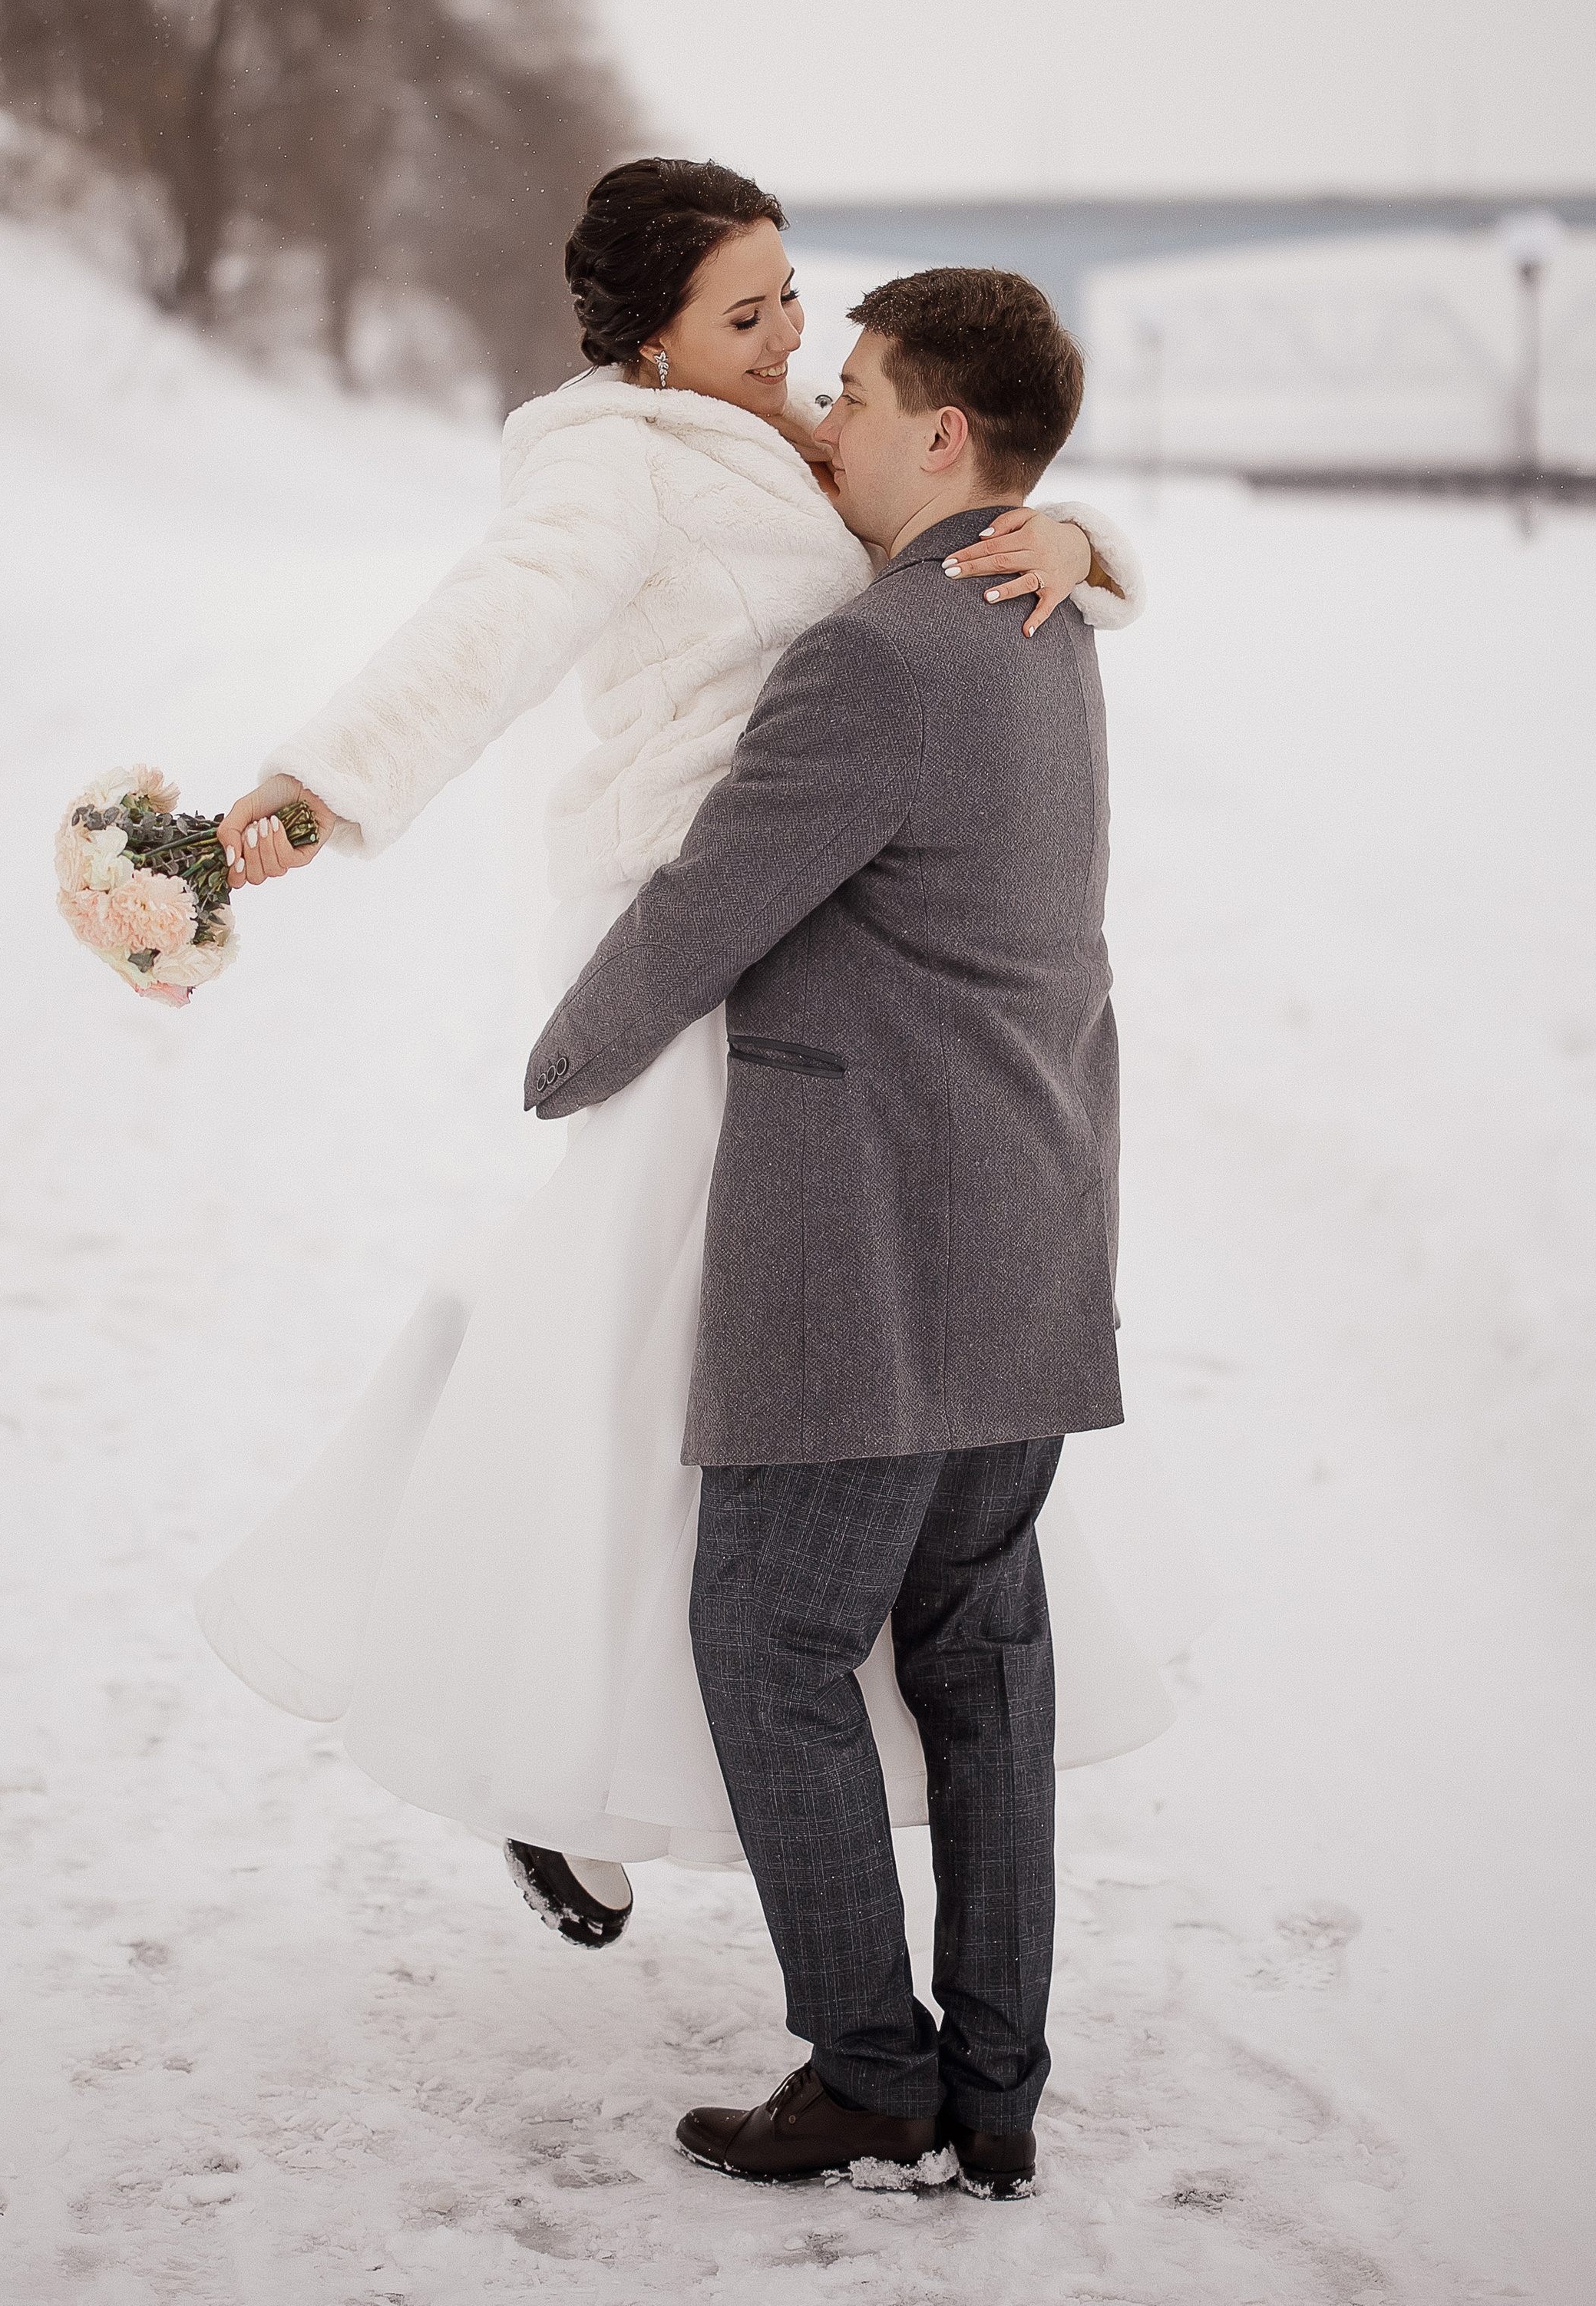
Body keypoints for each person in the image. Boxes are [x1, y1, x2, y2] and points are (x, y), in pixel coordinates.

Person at [193, 158, 1157, 1951]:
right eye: (745, 315)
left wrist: (1087, 547)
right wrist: (315, 789)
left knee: (695, 1372)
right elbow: (484, 634)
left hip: (812, 952)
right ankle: (548, 1756)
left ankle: (609, 1757)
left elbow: (951, 540)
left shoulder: (782, 432)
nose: (791, 339)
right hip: (688, 948)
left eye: (793, 297)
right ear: (649, 342)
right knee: (658, 1375)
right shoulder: (612, 464)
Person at [523, 265, 1118, 2195]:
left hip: (865, 1252)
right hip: (1030, 1226)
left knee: (768, 1639)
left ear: (944, 437)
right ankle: (995, 2090)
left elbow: (714, 899)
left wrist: (563, 1060)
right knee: (979, 1661)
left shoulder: (876, 656)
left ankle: (871, 2070)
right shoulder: (1045, 617)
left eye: (854, 391)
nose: (826, 417)